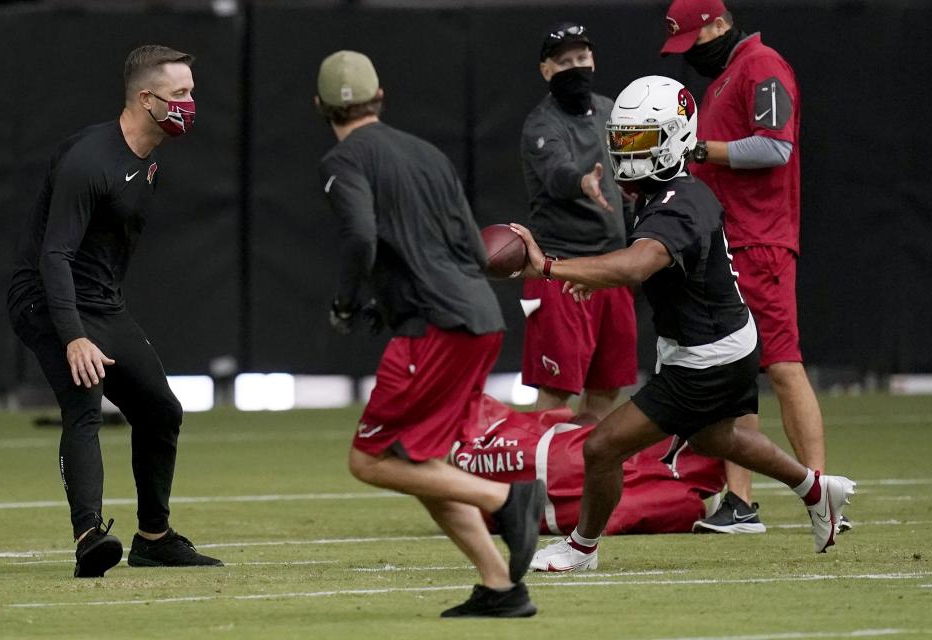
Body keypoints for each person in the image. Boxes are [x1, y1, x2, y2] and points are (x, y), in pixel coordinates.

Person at [509, 76, 854, 572]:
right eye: (622, 140)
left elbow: (634, 265)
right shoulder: (669, 192)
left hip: (705, 358)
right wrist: (595, 275)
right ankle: (818, 489)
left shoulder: (678, 203)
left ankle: (581, 548)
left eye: (639, 141)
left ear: (672, 139)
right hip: (722, 342)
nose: (627, 152)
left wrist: (548, 267)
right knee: (717, 439)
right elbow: (636, 262)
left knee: (603, 446)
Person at [315, 50, 546, 618]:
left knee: (369, 461)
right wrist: (390, 304)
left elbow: (361, 239)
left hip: (436, 331)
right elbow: (471, 247)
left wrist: (347, 302)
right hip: (479, 319)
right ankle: (501, 587)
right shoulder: (427, 153)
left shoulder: (343, 160)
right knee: (421, 465)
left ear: (319, 106)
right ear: (380, 97)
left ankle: (508, 497)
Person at [7, 45, 222, 577]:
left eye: (191, 93)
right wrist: (74, 336)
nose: (190, 104)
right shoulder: (90, 161)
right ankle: (88, 538)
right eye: (180, 95)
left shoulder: (146, 157)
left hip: (101, 302)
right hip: (46, 298)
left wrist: (98, 316)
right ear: (147, 99)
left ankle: (154, 539)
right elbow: (54, 255)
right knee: (84, 405)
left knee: (162, 411)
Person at [659, 0, 838, 534]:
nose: (690, 55)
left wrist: (697, 151)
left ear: (717, 24)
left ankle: (822, 490)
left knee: (782, 365)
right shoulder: (728, 76)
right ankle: (740, 501)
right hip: (728, 243)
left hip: (760, 242)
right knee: (731, 371)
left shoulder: (761, 65)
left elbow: (773, 147)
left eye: (691, 42)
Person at [520, 22, 637, 420]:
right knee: (555, 396)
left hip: (613, 270)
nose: (575, 67)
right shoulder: (541, 125)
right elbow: (557, 174)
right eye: (564, 61)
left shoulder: (612, 112)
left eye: (581, 58)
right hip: (562, 271)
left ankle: (587, 480)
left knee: (606, 392)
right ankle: (540, 483)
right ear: (546, 70)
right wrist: (583, 181)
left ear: (593, 60)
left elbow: (636, 169)